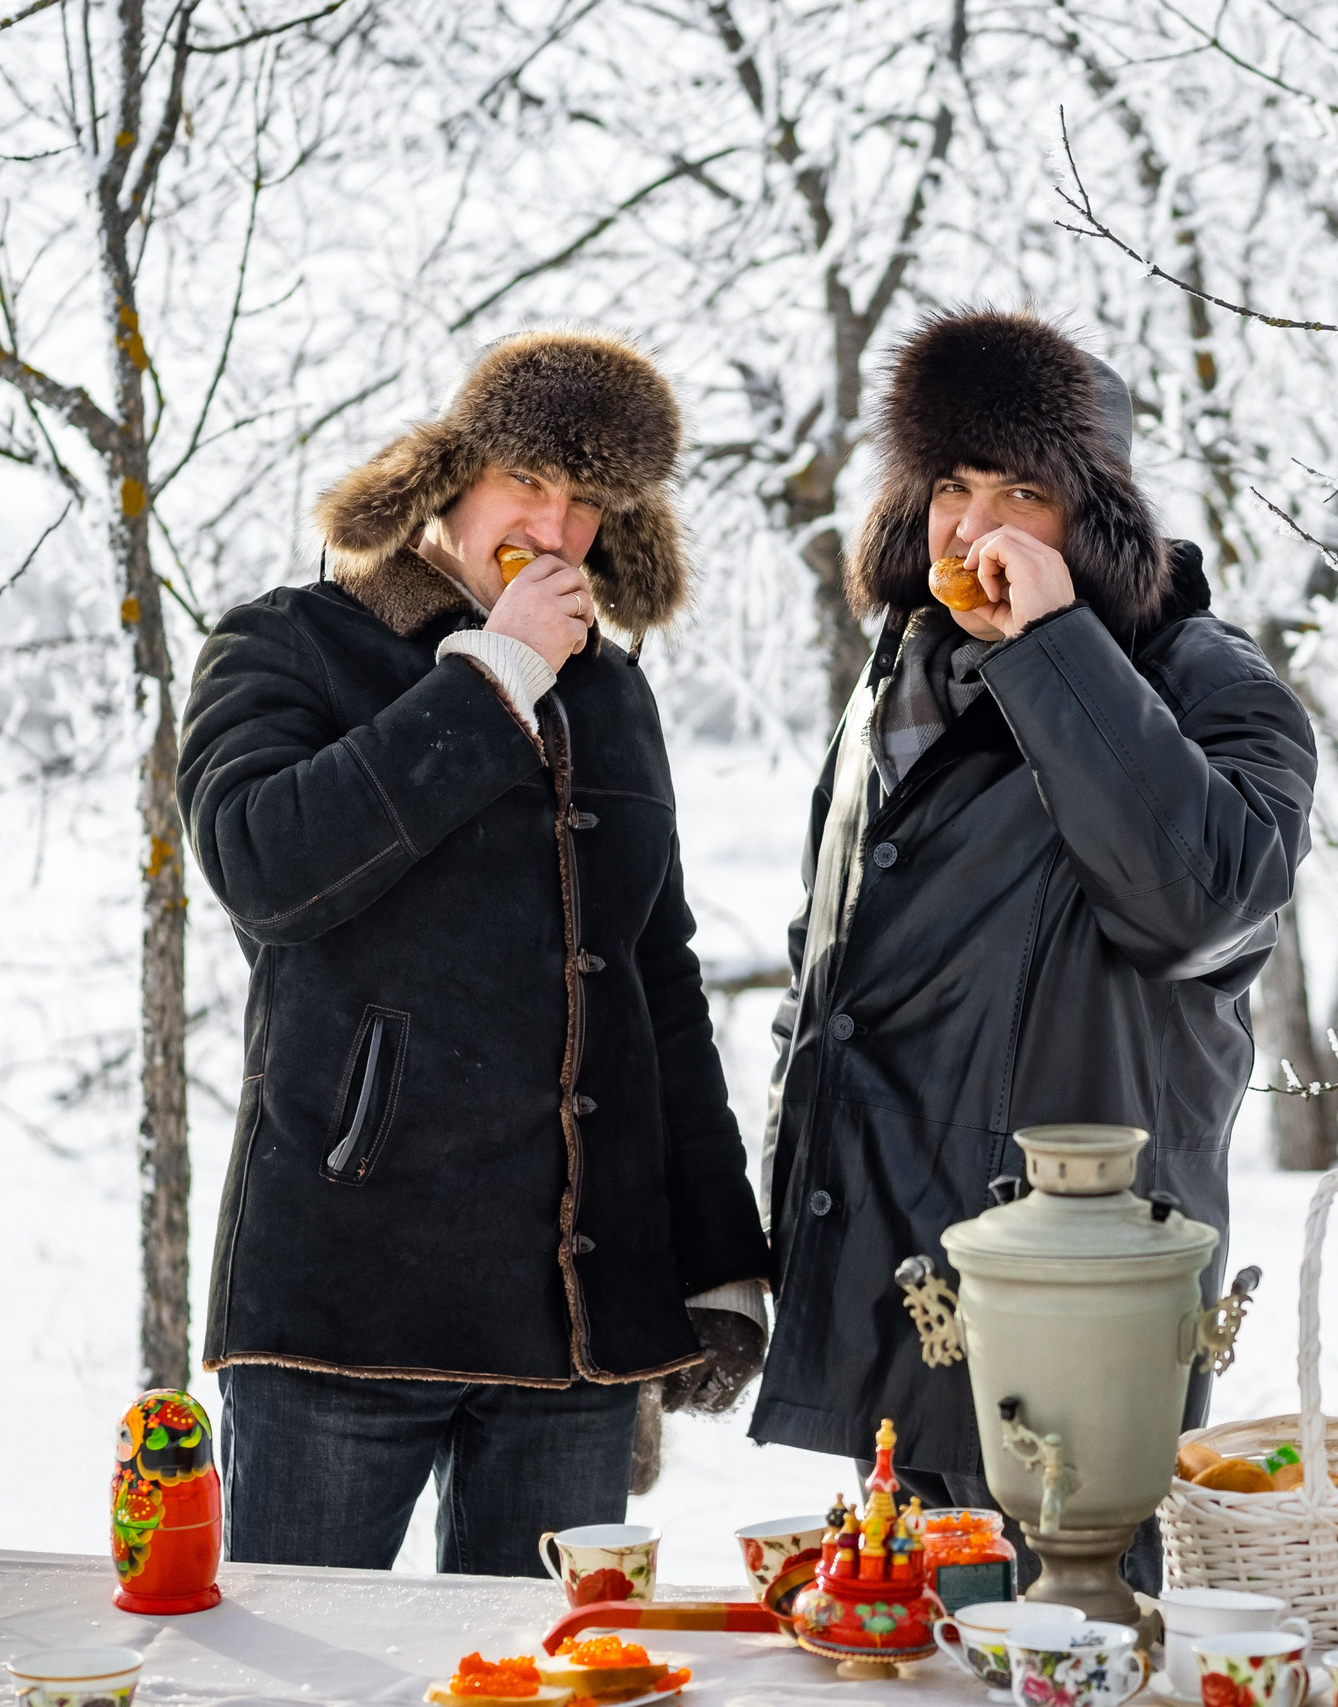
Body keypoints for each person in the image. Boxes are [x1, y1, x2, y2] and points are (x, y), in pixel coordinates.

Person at [179, 330, 771, 1576]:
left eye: (587, 504)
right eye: (528, 486)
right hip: (345, 1300)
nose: (555, 531)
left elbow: (655, 982)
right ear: (448, 479)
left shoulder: (612, 694)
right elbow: (260, 866)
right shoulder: (289, 643)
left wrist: (716, 1257)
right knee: (306, 1668)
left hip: (573, 1329)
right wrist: (488, 679)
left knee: (545, 1672)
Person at [747, 310, 1318, 1590]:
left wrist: (1056, 649)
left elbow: (1200, 904)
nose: (973, 526)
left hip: (1074, 1320)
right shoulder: (897, 674)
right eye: (949, 486)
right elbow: (821, 970)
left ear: (1097, 518)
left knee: (1069, 1658)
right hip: (895, 1282)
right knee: (911, 1666)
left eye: (1022, 490)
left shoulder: (1210, 684)